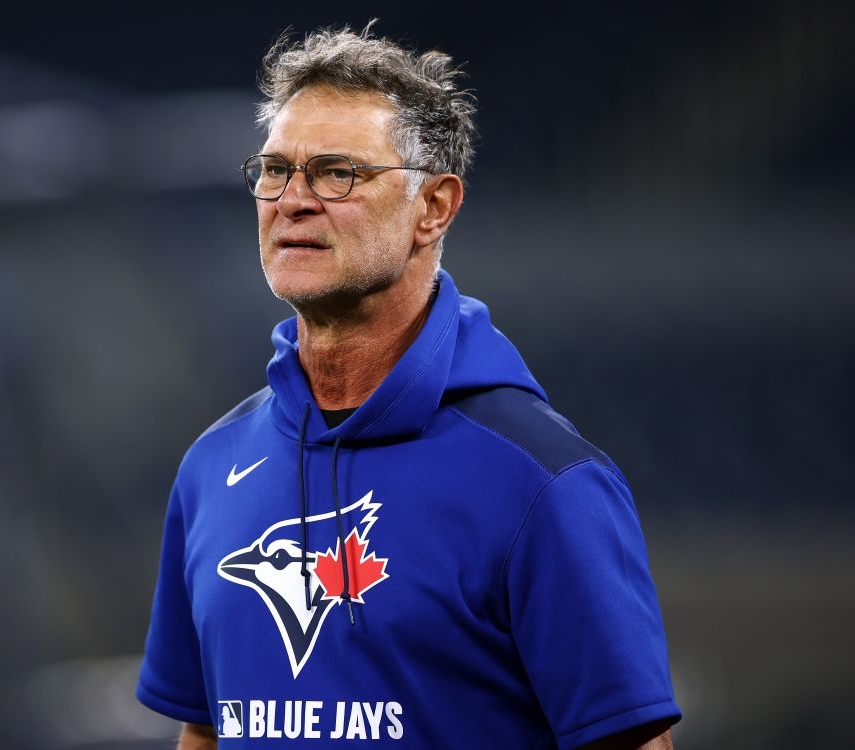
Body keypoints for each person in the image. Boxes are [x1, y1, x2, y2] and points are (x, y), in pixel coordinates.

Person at [137, 23, 681, 750]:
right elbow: (203, 731)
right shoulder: (211, 467)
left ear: (434, 208)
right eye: (275, 171)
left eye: (338, 173)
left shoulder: (543, 485)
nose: (292, 200)